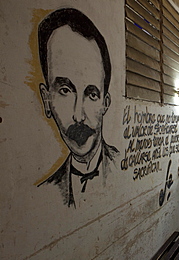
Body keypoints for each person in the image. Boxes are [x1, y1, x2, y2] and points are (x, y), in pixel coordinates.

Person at [36, 8, 119, 208]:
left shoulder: (122, 166)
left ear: (105, 103)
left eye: (91, 95)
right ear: (47, 100)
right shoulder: (45, 192)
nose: (78, 116)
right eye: (65, 90)